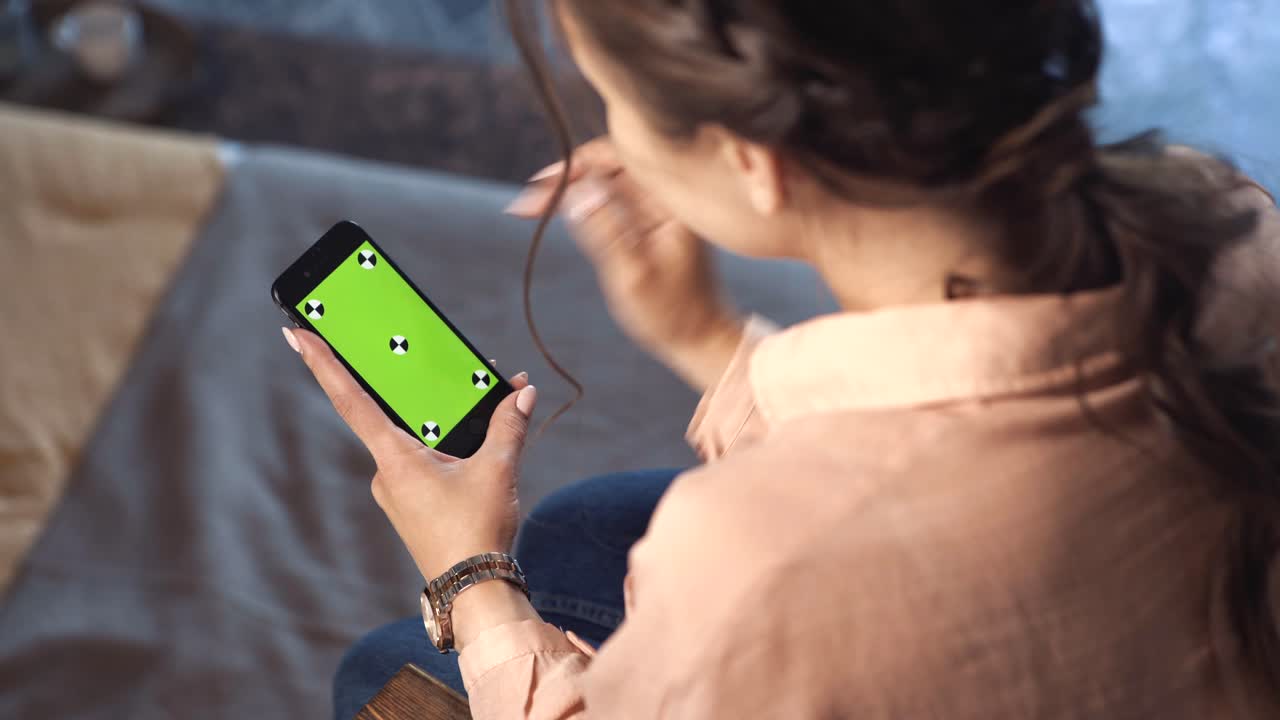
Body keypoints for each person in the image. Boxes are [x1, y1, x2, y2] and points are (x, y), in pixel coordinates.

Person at [295, 1, 1280, 717]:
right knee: (581, 529)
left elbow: (816, 549)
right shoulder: (1228, 224)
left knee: (379, 669)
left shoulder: (758, 554)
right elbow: (954, 407)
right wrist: (704, 339)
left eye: (612, 100)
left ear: (750, 162)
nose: (612, 139)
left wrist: (466, 574)